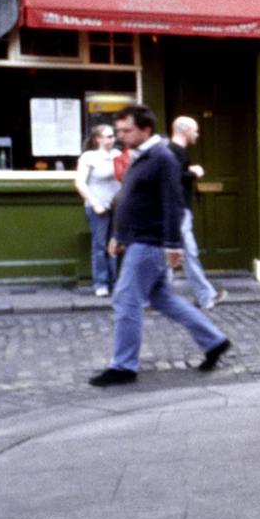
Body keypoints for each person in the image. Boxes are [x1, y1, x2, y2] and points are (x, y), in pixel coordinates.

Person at [88, 105, 231, 387]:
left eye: (126, 130)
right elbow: (130, 200)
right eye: (118, 131)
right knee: (162, 298)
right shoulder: (141, 156)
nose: (120, 135)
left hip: (149, 242)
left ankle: (123, 366)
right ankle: (214, 341)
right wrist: (119, 235)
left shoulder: (162, 157)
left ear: (145, 129)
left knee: (125, 298)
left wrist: (172, 244)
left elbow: (173, 203)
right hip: (138, 238)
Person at [168, 116, 223, 310]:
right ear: (185, 131)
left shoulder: (179, 152)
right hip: (178, 210)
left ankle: (204, 296)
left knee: (182, 253)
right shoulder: (172, 151)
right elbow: (171, 179)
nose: (198, 135)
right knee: (183, 253)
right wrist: (194, 173)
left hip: (180, 209)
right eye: (196, 131)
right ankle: (204, 296)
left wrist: (188, 170)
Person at [73, 124, 121, 297]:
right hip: (98, 207)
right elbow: (80, 183)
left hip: (115, 206)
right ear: (97, 139)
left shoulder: (118, 155)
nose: (110, 140)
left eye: (112, 136)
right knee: (99, 245)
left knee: (114, 244)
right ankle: (101, 283)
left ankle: (114, 282)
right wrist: (95, 204)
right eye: (106, 136)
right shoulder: (89, 157)